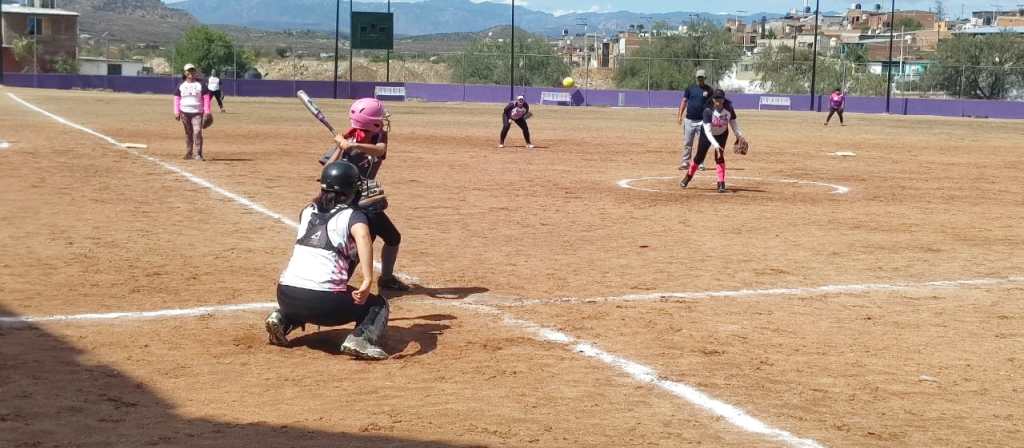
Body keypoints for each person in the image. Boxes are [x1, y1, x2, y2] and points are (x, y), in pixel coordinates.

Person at [265, 161, 390, 360]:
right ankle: (360, 339)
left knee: (306, 293)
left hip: (286, 296)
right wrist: (367, 279)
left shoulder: (307, 210)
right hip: (325, 303)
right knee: (378, 305)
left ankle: (282, 318)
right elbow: (364, 237)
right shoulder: (353, 216)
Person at [325, 98, 410, 291]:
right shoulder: (348, 137)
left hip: (366, 199)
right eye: (379, 117)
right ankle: (336, 284)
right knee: (361, 245)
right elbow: (327, 171)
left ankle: (386, 279)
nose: (383, 120)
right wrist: (340, 147)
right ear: (369, 121)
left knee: (392, 237)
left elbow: (380, 150)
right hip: (349, 202)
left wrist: (354, 146)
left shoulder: (378, 136)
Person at [680, 89, 746, 194]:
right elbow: (707, 131)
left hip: (722, 134)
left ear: (724, 99)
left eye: (720, 98)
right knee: (699, 157)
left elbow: (733, 122)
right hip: (707, 135)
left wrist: (739, 136)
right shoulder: (708, 111)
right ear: (713, 99)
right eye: (716, 99)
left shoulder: (729, 108)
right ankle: (688, 177)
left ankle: (721, 182)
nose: (718, 101)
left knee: (719, 157)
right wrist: (716, 145)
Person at [676, 68, 713, 171]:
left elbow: (712, 104)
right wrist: (679, 115)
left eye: (702, 77)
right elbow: (684, 101)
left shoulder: (709, 90)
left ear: (704, 78)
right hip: (689, 120)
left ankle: (700, 163)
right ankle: (685, 162)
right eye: (698, 77)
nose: (700, 79)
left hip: (702, 121)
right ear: (696, 78)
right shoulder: (690, 88)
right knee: (687, 142)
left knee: (702, 143)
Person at [173, 63, 211, 161]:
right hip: (184, 112)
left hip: (197, 112)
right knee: (188, 133)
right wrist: (176, 111)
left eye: (192, 70)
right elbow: (177, 98)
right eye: (188, 71)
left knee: (197, 131)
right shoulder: (181, 85)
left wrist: (207, 111)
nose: (191, 72)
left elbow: (206, 98)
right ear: (185, 73)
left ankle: (198, 154)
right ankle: (189, 153)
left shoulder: (200, 84)